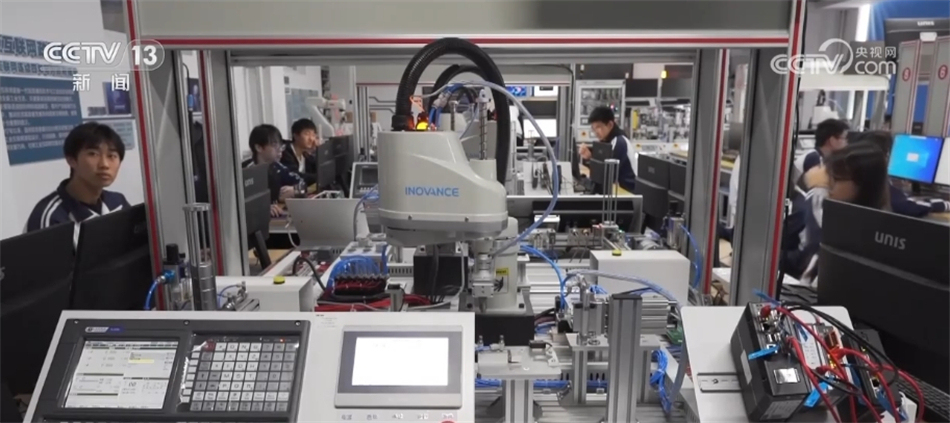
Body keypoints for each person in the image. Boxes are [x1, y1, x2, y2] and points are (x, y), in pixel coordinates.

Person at [794, 143, 890, 285]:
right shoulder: (839, 222)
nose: (829, 186)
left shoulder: (867, 242)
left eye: (836, 179)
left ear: (863, 184)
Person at [26, 122, 131, 232]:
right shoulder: (52, 217)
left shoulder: (117, 203)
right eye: (93, 154)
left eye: (112, 156)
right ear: (71, 160)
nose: (104, 164)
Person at [853, 130, 950, 217]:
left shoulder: (856, 179)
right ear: (886, 155)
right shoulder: (878, 184)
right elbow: (909, 207)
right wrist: (944, 205)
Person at [243, 124, 303, 217]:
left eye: (281, 145)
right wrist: (262, 208)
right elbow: (240, 205)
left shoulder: (277, 167)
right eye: (274, 145)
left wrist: (296, 190)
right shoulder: (246, 172)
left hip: (274, 217)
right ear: (259, 148)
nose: (280, 150)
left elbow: (302, 184)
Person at [578, 106, 637, 193]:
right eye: (593, 128)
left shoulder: (619, 142)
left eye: (598, 127)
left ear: (610, 125)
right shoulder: (607, 140)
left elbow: (607, 174)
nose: (596, 132)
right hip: (616, 191)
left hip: (626, 193)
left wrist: (591, 158)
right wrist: (590, 157)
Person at [280, 118, 320, 184]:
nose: (311, 139)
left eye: (313, 135)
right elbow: (295, 175)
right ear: (295, 136)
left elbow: (319, 169)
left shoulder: (305, 155)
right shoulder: (286, 153)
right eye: (307, 134)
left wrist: (317, 150)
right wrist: (318, 177)